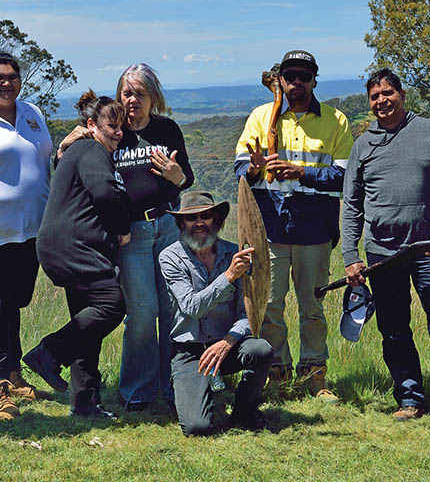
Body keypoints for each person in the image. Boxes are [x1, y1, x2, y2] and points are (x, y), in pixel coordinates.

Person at [341, 68, 430, 436]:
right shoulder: (362, 145)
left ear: (402, 95)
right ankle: (410, 398)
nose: (381, 101)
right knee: (394, 329)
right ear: (369, 103)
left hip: (428, 250)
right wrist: (350, 256)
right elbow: (351, 205)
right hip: (382, 253)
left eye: (388, 93)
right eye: (374, 96)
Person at [58, 63, 194, 411]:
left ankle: (176, 385)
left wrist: (177, 175)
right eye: (127, 93)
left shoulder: (166, 130)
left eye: (140, 93)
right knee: (143, 311)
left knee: (174, 308)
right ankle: (137, 391)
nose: (132, 100)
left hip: (166, 226)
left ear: (153, 97)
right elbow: (77, 168)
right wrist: (65, 146)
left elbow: (186, 179)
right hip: (129, 234)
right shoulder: (113, 133)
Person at [234, 50, 353, 399]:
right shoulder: (261, 117)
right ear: (281, 81)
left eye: (304, 76)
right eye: (290, 77)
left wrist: (303, 173)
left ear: (315, 79)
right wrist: (255, 168)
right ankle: (277, 375)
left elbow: (344, 177)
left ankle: (315, 376)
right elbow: (241, 170)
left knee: (312, 307)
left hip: (315, 230)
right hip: (270, 229)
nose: (296, 83)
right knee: (270, 305)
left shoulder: (336, 121)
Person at [23, 91, 132, 419]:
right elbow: (104, 192)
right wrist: (121, 228)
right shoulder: (90, 149)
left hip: (67, 245)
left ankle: (84, 403)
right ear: (91, 125)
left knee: (87, 325)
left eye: (122, 127)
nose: (118, 132)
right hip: (73, 247)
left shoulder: (81, 150)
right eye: (111, 125)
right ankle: (48, 353)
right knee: (113, 305)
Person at [0, 51, 53, 417]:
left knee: (14, 304)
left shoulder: (32, 113)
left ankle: (13, 373)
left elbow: (45, 158)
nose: (6, 83)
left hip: (31, 230)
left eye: (12, 76)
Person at [159, 191, 273, 436]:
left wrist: (228, 340)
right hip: (191, 350)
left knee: (260, 349)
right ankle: (189, 387)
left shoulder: (235, 253)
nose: (199, 223)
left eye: (206, 216)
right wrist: (229, 276)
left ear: (217, 220)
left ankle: (245, 411)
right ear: (181, 223)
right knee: (196, 427)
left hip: (227, 344)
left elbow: (249, 311)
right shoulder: (169, 257)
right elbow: (191, 307)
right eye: (191, 218)